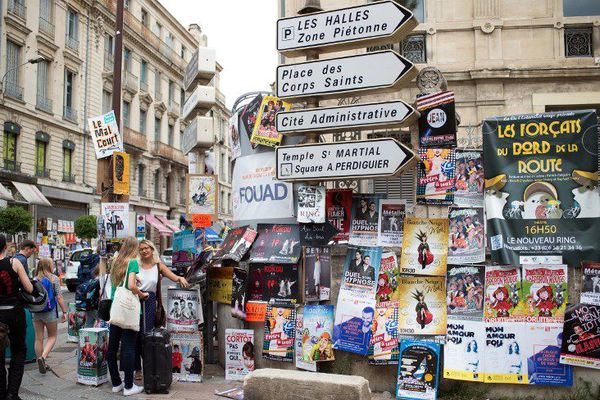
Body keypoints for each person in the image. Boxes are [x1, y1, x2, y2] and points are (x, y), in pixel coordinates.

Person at [134, 240, 188, 379]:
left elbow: (173, 276)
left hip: (149, 302)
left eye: (147, 248)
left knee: (146, 335)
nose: (144, 251)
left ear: (152, 250)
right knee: (134, 335)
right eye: (141, 249)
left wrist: (180, 278)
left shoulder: (158, 266)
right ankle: (137, 368)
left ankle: (148, 366)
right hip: (134, 301)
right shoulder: (135, 265)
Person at [106, 237, 147, 396]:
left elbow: (116, 284)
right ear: (134, 248)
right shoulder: (133, 262)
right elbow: (130, 286)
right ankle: (129, 386)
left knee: (113, 347)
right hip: (128, 309)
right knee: (129, 346)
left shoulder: (116, 261)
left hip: (115, 308)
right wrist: (141, 294)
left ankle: (116, 383)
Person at [0, 234, 34, 400]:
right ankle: (12, 393)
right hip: (14, 312)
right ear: (5, 247)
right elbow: (29, 288)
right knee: (19, 351)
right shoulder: (14, 262)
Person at [32, 258, 67, 374]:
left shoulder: (35, 279)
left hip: (36, 311)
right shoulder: (53, 278)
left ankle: (40, 360)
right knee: (52, 336)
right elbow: (59, 297)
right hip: (49, 311)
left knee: (38, 338)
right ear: (49, 266)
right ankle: (43, 357)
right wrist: (65, 312)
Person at [78, 248, 101, 328]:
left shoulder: (81, 267)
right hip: (96, 305)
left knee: (89, 323)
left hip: (87, 303)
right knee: (101, 322)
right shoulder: (100, 281)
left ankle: (86, 339)